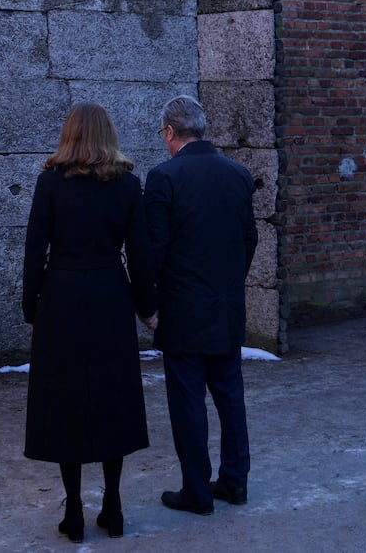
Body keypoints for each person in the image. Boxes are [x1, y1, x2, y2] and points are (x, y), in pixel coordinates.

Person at [22, 102, 158, 542]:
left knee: (65, 401)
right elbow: (140, 254)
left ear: (70, 135)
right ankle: (114, 506)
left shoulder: (49, 184)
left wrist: (31, 308)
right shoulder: (127, 186)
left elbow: (34, 251)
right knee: (111, 395)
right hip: (109, 296)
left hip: (61, 296)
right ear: (108, 136)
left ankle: (75, 512)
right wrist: (145, 306)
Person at [144, 94, 258, 516]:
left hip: (183, 310)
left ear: (170, 132)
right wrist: (229, 284)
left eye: (164, 135)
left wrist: (149, 304)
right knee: (230, 395)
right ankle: (235, 481)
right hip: (225, 308)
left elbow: (154, 250)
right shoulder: (238, 174)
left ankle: (196, 488)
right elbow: (249, 239)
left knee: (188, 400)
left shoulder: (164, 178)